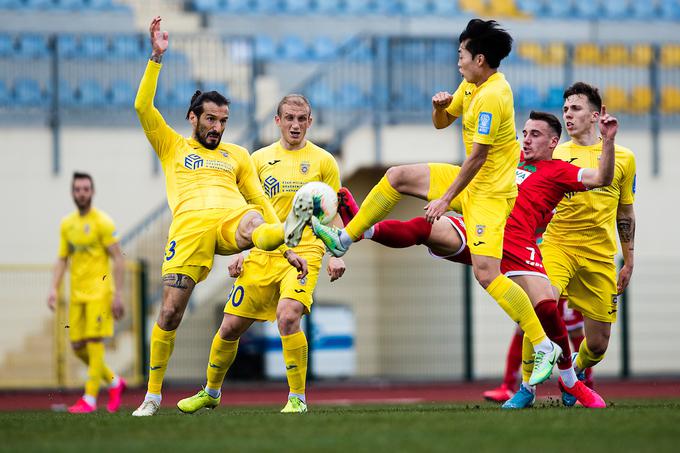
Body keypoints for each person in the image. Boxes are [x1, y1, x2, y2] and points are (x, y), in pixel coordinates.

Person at [315, 18, 560, 385]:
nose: (457, 59)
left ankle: (543, 346)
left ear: (479, 58)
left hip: (489, 195)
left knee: (487, 274)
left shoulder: (494, 94)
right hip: (470, 181)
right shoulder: (472, 84)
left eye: (461, 53)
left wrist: (445, 199)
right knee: (397, 176)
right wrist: (439, 106)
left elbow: (477, 158)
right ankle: (346, 238)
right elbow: (443, 123)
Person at [322, 109, 618, 408]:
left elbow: (602, 177)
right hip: (481, 227)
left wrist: (607, 141)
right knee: (425, 228)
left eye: (535, 135)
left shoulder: (559, 170)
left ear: (554, 142)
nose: (526, 140)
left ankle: (569, 381)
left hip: (517, 243)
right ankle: (364, 230)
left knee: (545, 306)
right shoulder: (509, 157)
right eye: (524, 133)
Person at [131, 17, 313, 416]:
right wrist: (156, 58)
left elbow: (259, 203)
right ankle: (152, 395)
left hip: (232, 219)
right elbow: (143, 106)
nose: (217, 128)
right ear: (194, 118)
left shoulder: (238, 156)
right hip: (190, 229)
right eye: (211, 120)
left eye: (223, 122)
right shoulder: (172, 145)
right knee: (170, 312)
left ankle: (292, 395)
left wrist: (283, 244)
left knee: (252, 222)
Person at [176, 95, 345, 415]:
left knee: (288, 315)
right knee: (230, 327)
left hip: (306, 249)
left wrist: (336, 253)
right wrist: (242, 250)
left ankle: (297, 398)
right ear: (277, 121)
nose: (296, 125)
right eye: (289, 118)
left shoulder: (324, 162)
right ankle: (211, 391)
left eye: (302, 119)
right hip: (264, 251)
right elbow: (246, 210)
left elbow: (333, 212)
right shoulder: (257, 159)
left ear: (310, 122)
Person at [540, 82, 636, 406]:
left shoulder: (624, 158)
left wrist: (629, 259)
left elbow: (625, 209)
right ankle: (525, 390)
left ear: (595, 115)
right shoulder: (555, 153)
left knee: (598, 344)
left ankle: (577, 371)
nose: (568, 114)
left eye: (576, 108)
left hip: (599, 254)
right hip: (559, 243)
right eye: (565, 109)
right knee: (542, 305)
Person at [47, 172, 126, 414]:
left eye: (85, 189)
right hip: (77, 295)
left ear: (92, 192)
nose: (81, 193)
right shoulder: (67, 224)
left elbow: (119, 260)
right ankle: (114, 381)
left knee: (93, 343)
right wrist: (53, 287)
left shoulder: (103, 222)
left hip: (100, 294)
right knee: (77, 346)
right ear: (73, 193)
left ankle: (89, 399)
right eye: (78, 189)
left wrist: (118, 294)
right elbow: (62, 259)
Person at [482, 297, 594, 403]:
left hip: (565, 287)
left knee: (575, 330)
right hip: (542, 283)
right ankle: (508, 387)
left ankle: (586, 387)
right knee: (524, 327)